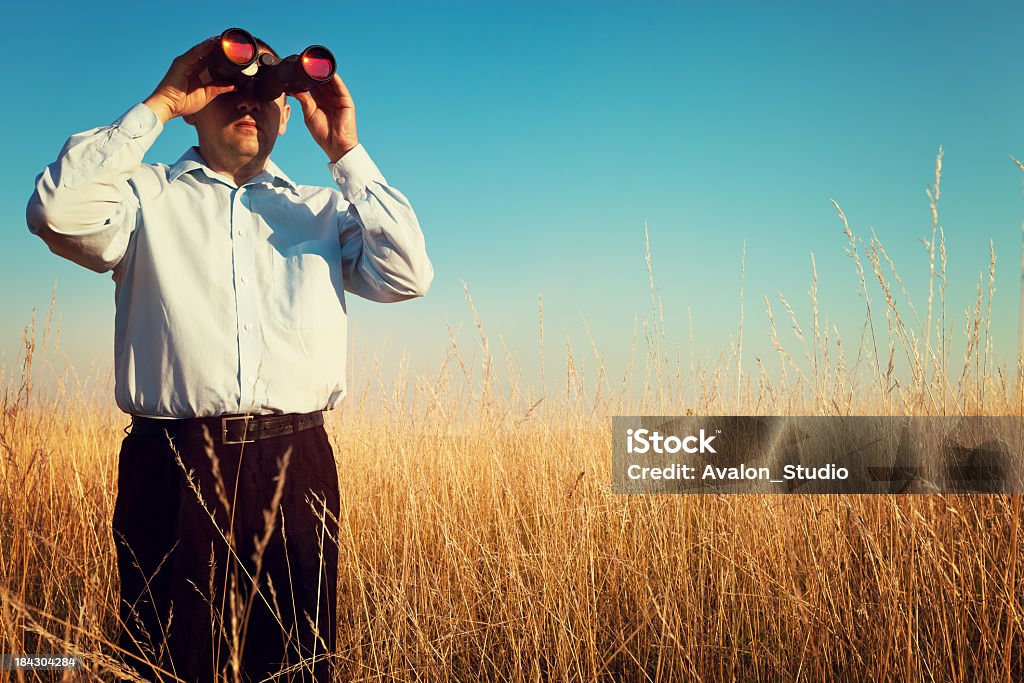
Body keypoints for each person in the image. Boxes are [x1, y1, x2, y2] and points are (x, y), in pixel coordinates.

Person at [27, 33, 432, 682]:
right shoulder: (142, 197)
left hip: (297, 463)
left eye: (263, 92)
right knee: (167, 661)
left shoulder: (321, 209)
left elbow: (408, 272)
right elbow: (54, 210)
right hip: (174, 464)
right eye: (227, 89)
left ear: (285, 109)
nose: (246, 102)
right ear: (196, 102)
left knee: (299, 666)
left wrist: (346, 152)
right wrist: (159, 103)